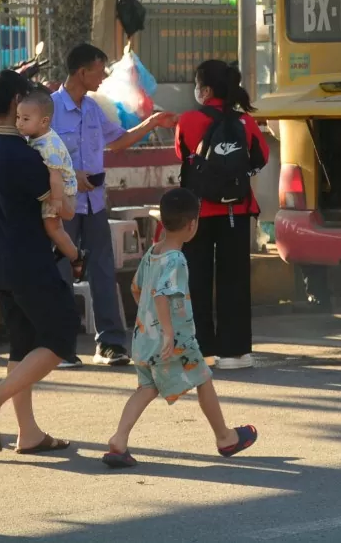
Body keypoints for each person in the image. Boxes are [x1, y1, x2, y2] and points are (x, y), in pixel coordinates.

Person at [102, 187, 258, 468]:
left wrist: (149, 321)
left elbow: (137, 289)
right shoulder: (176, 259)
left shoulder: (153, 252)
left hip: (144, 337)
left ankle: (119, 439)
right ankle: (225, 437)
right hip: (175, 341)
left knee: (146, 388)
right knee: (203, 378)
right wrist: (169, 332)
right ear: (192, 225)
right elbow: (162, 294)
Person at [0, 70, 78, 455]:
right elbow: (62, 211)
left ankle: (28, 434)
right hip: (30, 262)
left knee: (22, 346)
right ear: (15, 104)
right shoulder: (26, 156)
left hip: (1, 265)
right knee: (61, 336)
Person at [51, 43, 175, 368]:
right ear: (82, 71)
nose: (104, 76)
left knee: (104, 271)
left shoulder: (93, 109)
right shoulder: (49, 108)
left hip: (93, 204)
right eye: (99, 69)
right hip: (61, 206)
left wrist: (152, 123)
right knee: (60, 272)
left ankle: (110, 344)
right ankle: (59, 345)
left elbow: (117, 141)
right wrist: (68, 176)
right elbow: (35, 153)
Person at [175, 60, 269, 370]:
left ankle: (202, 351)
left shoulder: (188, 120)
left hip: (198, 214)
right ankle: (236, 352)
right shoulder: (245, 123)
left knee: (197, 281)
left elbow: (182, 154)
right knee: (235, 281)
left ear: (205, 90)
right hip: (237, 210)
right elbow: (262, 157)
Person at [14, 88, 82, 270]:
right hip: (58, 187)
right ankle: (64, 248)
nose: (19, 123)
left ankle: (77, 257)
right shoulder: (38, 137)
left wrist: (58, 201)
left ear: (44, 121)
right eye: (18, 117)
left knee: (53, 227)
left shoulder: (48, 146)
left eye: (25, 119)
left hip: (62, 188)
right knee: (53, 228)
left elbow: (56, 176)